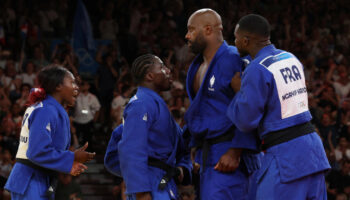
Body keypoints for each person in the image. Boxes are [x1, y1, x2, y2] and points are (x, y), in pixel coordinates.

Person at [227, 14, 330, 200]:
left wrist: (238, 91)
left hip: (286, 159)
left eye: (235, 38)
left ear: (245, 40)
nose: (234, 43)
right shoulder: (290, 57)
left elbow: (246, 121)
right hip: (313, 152)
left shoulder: (257, 68)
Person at [184, 8, 260, 200]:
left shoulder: (234, 58)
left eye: (191, 30)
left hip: (231, 156)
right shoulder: (197, 67)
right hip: (206, 157)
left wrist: (236, 151)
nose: (187, 35)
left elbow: (253, 106)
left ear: (208, 30)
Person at [4, 65, 96, 199]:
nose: (76, 87)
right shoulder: (45, 110)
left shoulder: (49, 108)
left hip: (40, 178)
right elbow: (36, 151)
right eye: (72, 82)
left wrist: (69, 162)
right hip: (31, 179)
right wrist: (71, 158)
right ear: (58, 86)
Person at [118, 54, 192, 200]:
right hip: (149, 184)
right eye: (162, 67)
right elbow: (131, 150)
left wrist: (183, 168)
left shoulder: (158, 106)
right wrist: (141, 191)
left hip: (164, 182)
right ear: (150, 76)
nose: (168, 70)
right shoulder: (140, 104)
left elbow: (182, 147)